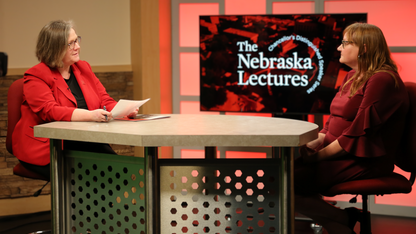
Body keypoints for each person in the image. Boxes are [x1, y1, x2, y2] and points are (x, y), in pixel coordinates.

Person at [294, 23, 409, 234]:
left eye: (345, 43)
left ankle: (344, 218)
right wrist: (319, 139)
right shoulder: (351, 76)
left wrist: (318, 157)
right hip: (337, 153)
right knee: (284, 178)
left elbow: (357, 135)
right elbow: (334, 121)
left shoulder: (382, 79)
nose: (339, 48)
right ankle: (344, 222)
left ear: (364, 48)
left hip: (362, 159)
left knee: (287, 183)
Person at [12, 20, 138, 180]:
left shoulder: (83, 67)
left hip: (85, 140)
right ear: (55, 48)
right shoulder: (36, 75)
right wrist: (90, 115)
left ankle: (118, 205)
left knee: (121, 170)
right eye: (70, 44)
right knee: (100, 177)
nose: (77, 46)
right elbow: (50, 111)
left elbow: (104, 100)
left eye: (77, 40)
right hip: (48, 147)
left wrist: (125, 110)